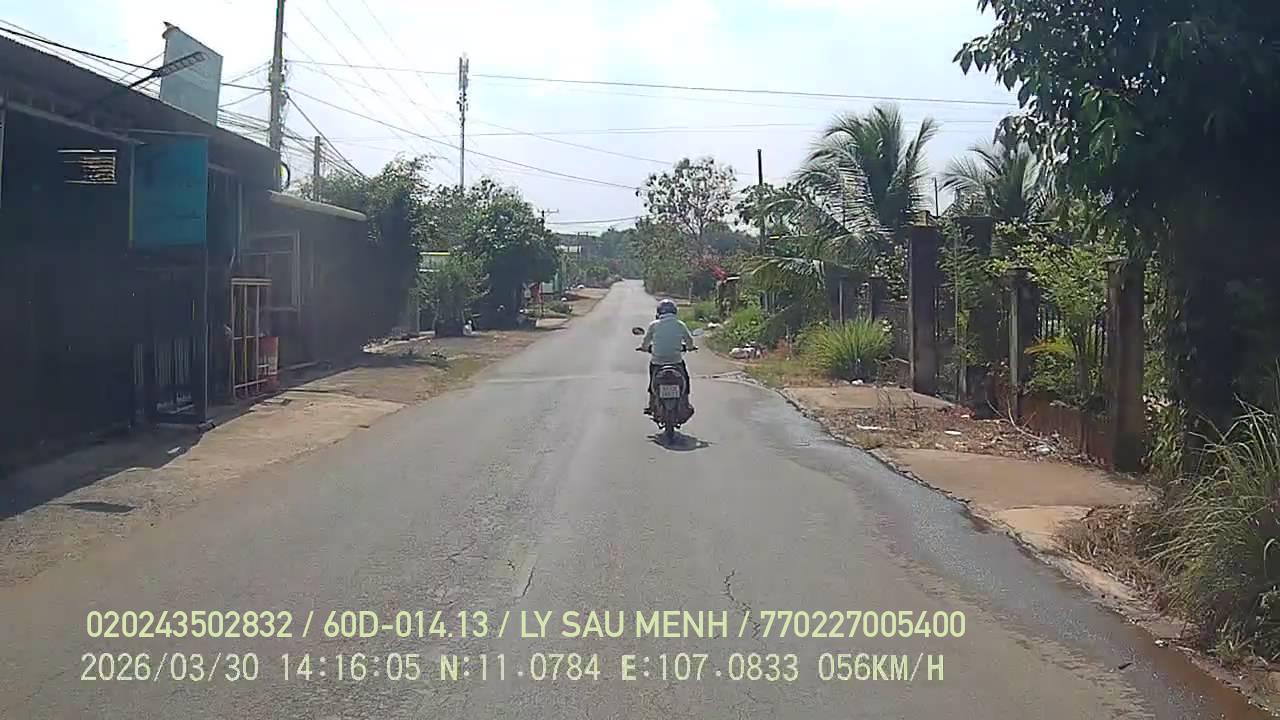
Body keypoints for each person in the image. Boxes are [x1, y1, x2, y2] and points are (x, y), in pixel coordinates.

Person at [639, 298, 696, 414]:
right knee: (685, 379)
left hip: (657, 362)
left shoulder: (654, 325)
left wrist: (644, 348)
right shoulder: (680, 324)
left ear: (659, 312)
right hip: (676, 361)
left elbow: (646, 341)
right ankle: (685, 403)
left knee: (653, 380)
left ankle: (651, 404)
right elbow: (689, 340)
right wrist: (690, 347)